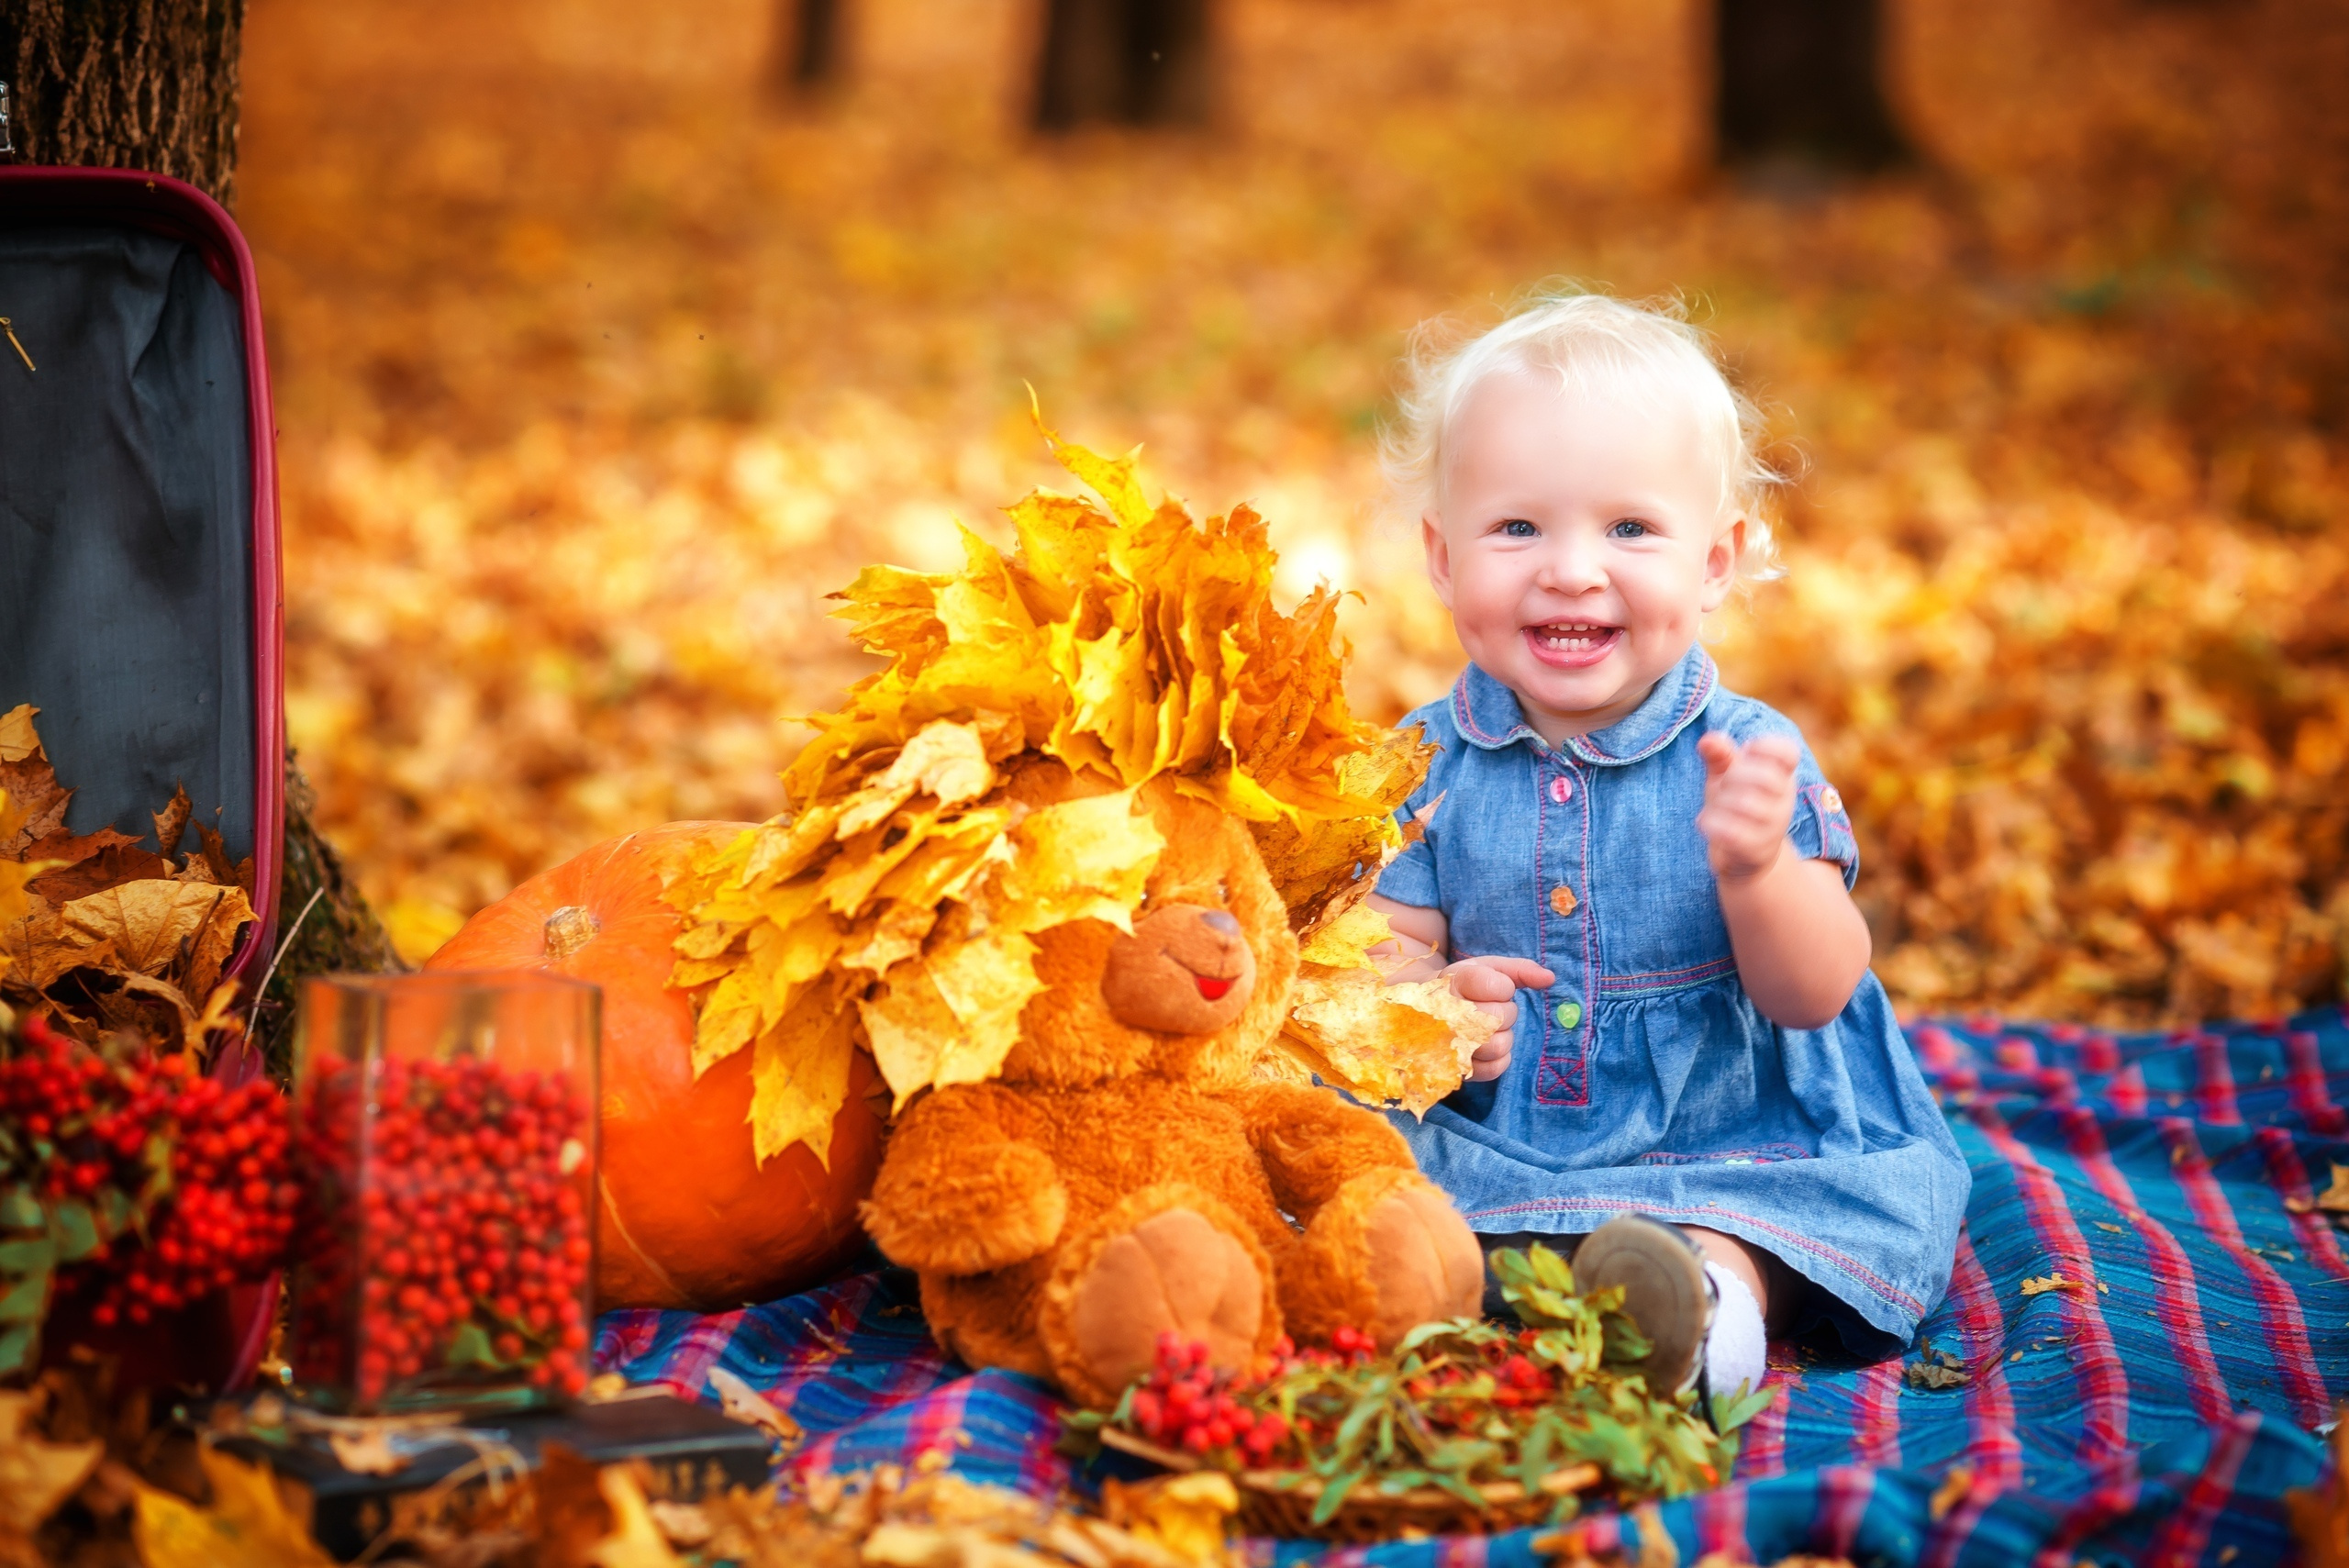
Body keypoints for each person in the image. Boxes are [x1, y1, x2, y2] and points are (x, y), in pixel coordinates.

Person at [1367, 289, 1969, 1402]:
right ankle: (1487, 1283)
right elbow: (1379, 949)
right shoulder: (1421, 761)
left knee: (1771, 1217)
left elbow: (1815, 989)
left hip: (1734, 1127)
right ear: (1443, 558)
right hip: (1502, 1127)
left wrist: (1759, 872)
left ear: (1715, 561)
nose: (1571, 568)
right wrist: (1427, 1002)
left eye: (1629, 528)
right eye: (1517, 527)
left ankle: (1707, 1312)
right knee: (1365, 1175)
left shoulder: (1747, 754)